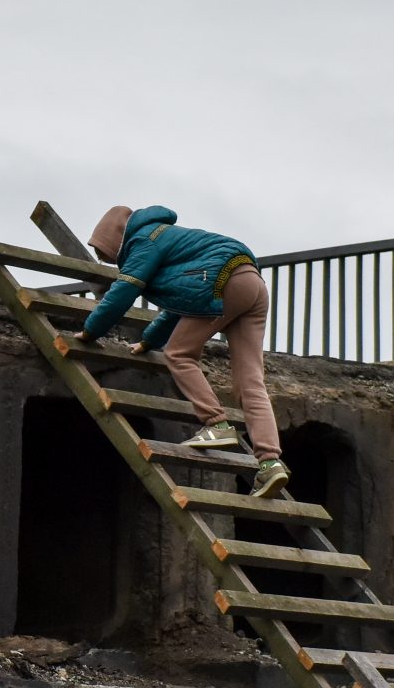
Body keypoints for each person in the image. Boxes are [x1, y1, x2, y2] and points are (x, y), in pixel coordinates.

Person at [73, 205, 288, 499]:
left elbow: (124, 290)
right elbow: (185, 302)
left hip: (222, 281)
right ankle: (270, 462)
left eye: (104, 253)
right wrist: (149, 341)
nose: (107, 261)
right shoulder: (171, 239)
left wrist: (90, 331)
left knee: (179, 353)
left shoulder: (143, 240)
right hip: (252, 284)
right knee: (250, 382)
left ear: (115, 238)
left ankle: (217, 424)